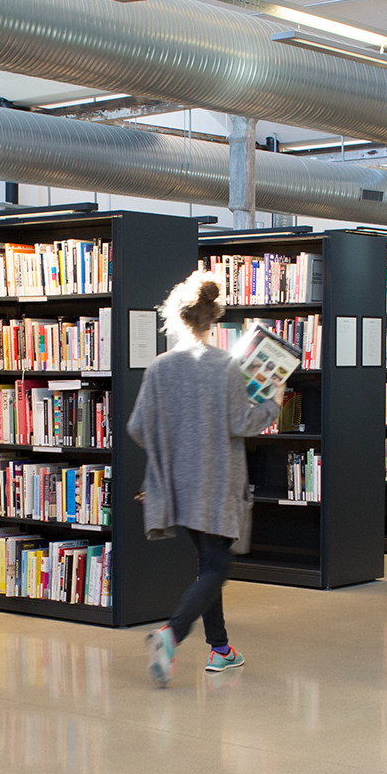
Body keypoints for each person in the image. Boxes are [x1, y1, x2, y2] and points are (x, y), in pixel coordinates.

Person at [127, 272, 286, 686]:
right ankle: (172, 634)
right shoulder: (227, 367)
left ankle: (220, 649)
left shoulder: (159, 368)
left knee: (206, 563)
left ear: (177, 318)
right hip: (217, 483)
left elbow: (139, 428)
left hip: (176, 486)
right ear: (214, 319)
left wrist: (170, 453)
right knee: (218, 564)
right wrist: (274, 400)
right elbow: (243, 421)